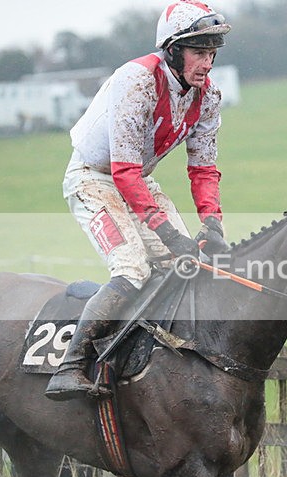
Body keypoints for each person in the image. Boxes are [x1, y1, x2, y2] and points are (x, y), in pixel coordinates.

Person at [46, 0, 231, 400]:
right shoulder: (137, 79)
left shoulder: (209, 96)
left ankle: (150, 358)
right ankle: (71, 365)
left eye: (212, 52)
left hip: (138, 182)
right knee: (132, 269)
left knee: (185, 268)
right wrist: (168, 231)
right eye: (199, 52)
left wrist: (212, 224)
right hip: (94, 179)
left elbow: (203, 169)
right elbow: (122, 171)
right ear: (172, 50)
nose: (208, 63)